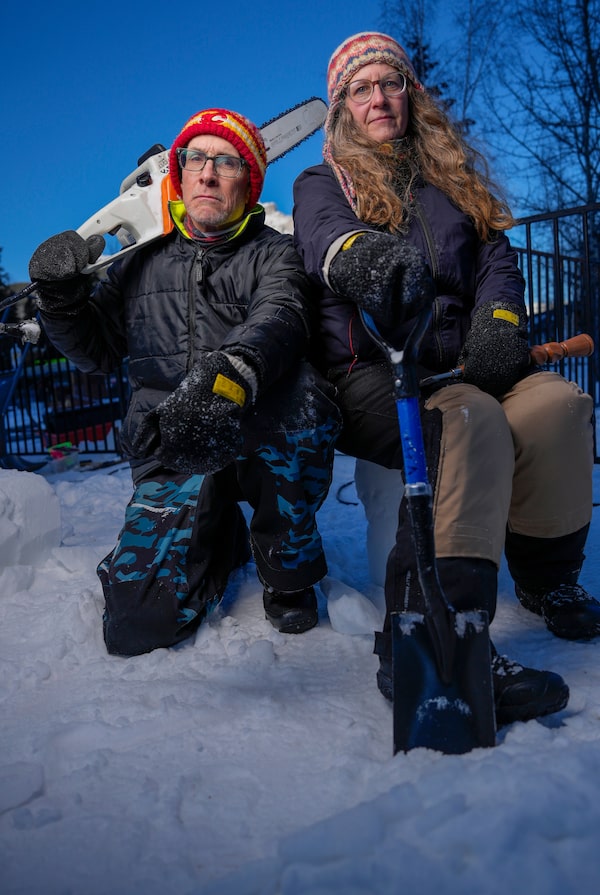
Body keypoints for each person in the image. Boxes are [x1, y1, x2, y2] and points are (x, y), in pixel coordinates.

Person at [293, 31, 600, 727]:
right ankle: (440, 634)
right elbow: (326, 240)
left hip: (471, 362)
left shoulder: (450, 178)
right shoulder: (324, 181)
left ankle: (549, 581)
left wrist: (498, 321)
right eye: (362, 89)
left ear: (411, 93)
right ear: (342, 106)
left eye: (390, 83)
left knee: (557, 406)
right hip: (382, 372)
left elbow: (497, 258)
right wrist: (367, 263)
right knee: (468, 418)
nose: (380, 99)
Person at [29, 107, 341, 655]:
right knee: (137, 627)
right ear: (178, 173)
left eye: (226, 161)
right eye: (195, 158)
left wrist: (228, 375)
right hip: (170, 447)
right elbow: (96, 352)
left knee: (303, 396)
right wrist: (60, 302)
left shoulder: (275, 253)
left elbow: (282, 317)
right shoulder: (137, 263)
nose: (208, 172)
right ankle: (217, 537)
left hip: (254, 436)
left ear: (249, 180)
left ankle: (286, 566)